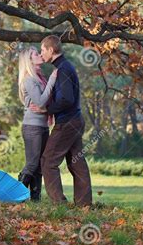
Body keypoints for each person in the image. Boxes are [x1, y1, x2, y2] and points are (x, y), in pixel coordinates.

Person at [31, 35, 93, 206]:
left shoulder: (63, 69)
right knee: (76, 161)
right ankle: (84, 204)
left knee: (48, 161)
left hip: (67, 122)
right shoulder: (63, 67)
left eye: (43, 50)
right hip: (75, 120)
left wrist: (46, 110)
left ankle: (59, 204)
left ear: (51, 50)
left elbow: (67, 99)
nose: (41, 53)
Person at [17, 46, 58, 201]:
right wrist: (53, 80)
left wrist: (47, 110)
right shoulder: (29, 79)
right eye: (36, 53)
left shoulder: (40, 77)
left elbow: (45, 103)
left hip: (42, 126)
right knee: (32, 164)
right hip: (32, 127)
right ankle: (15, 195)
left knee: (39, 165)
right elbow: (40, 101)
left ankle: (35, 200)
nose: (40, 55)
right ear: (29, 60)